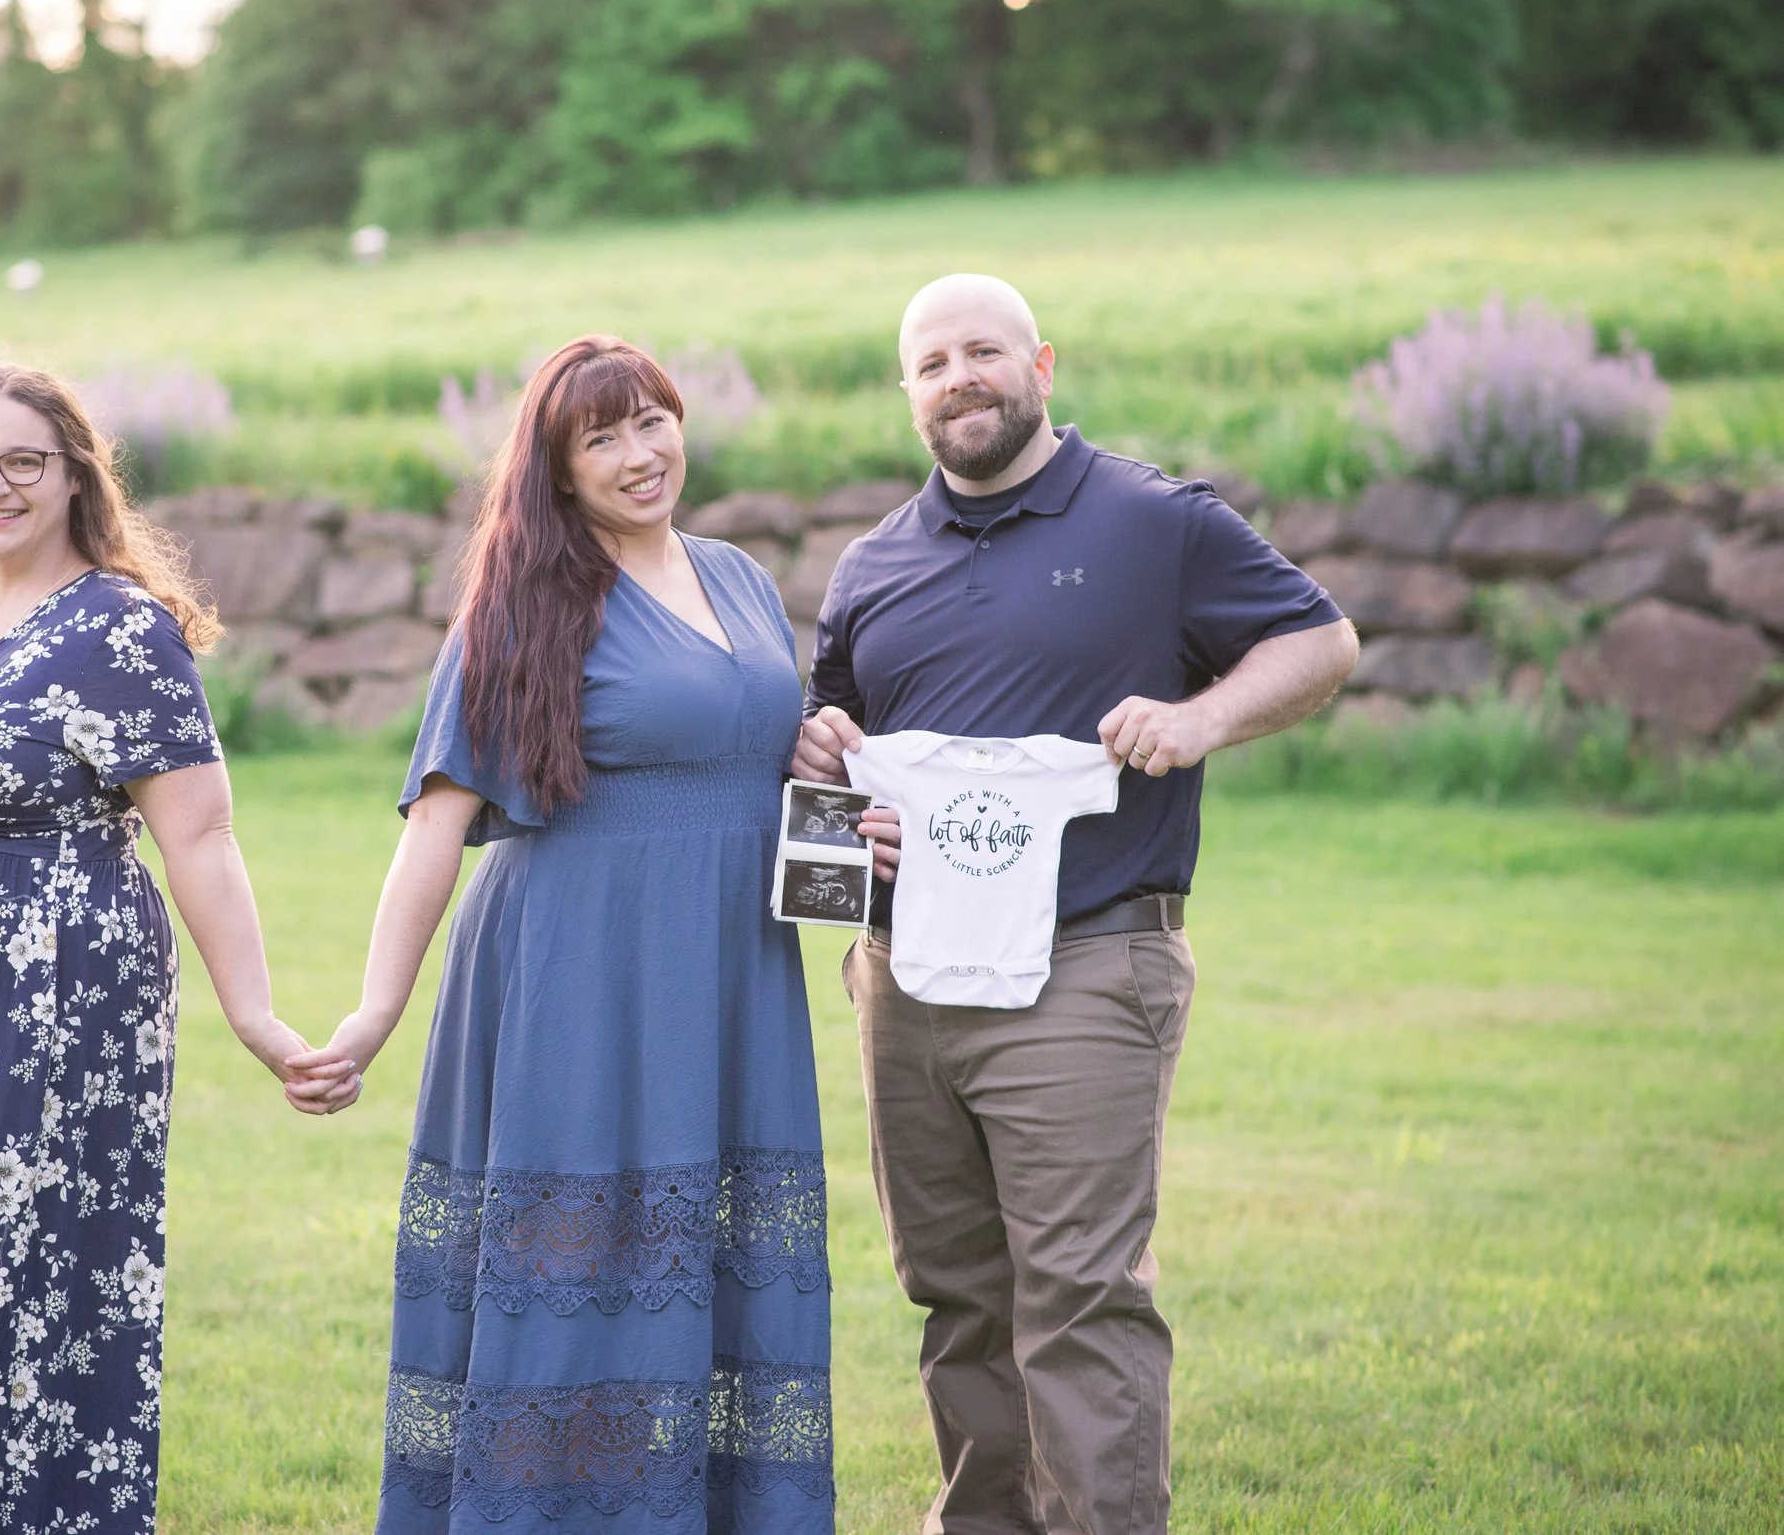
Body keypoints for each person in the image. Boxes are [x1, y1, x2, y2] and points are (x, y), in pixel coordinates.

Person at [792, 276, 1359, 1535]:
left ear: (1040, 363)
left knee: (1079, 1297)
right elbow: (824, 794)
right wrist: (827, 795)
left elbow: (1321, 641)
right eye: (931, 363)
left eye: (983, 350)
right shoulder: (872, 563)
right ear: (908, 394)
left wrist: (1198, 716)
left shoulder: (1156, 522)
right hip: (903, 980)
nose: (960, 378)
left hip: (1085, 971)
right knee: (953, 1293)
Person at [287, 337, 836, 1534]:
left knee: (712, 1272)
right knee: (578, 1273)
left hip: (730, 978)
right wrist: (374, 1012)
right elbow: (436, 823)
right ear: (560, 469)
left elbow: (749, 744)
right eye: (602, 437)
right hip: (578, 977)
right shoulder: (526, 605)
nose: (640, 455)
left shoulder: (738, 575)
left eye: (652, 421)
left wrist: (813, 757)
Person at [0, 364, 340, 1534]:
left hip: (36, 1020)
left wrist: (257, 1016)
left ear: (77, 475)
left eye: (22, 460)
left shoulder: (118, 628)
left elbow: (199, 827)